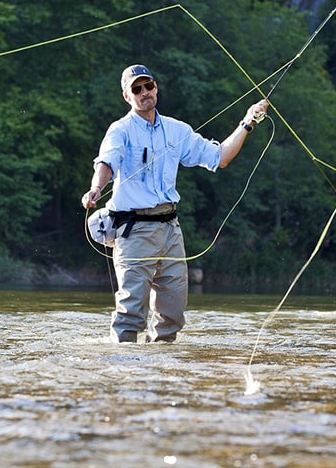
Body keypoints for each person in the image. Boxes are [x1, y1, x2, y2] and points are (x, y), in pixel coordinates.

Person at [82, 64, 268, 343]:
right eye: (137, 89)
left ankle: (162, 371)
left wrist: (247, 121)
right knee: (131, 312)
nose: (145, 92)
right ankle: (123, 372)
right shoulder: (119, 130)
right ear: (127, 96)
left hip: (171, 230)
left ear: (156, 87)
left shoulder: (177, 129)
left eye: (149, 86)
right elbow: (107, 161)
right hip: (134, 231)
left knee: (173, 314)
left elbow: (220, 157)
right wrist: (96, 188)